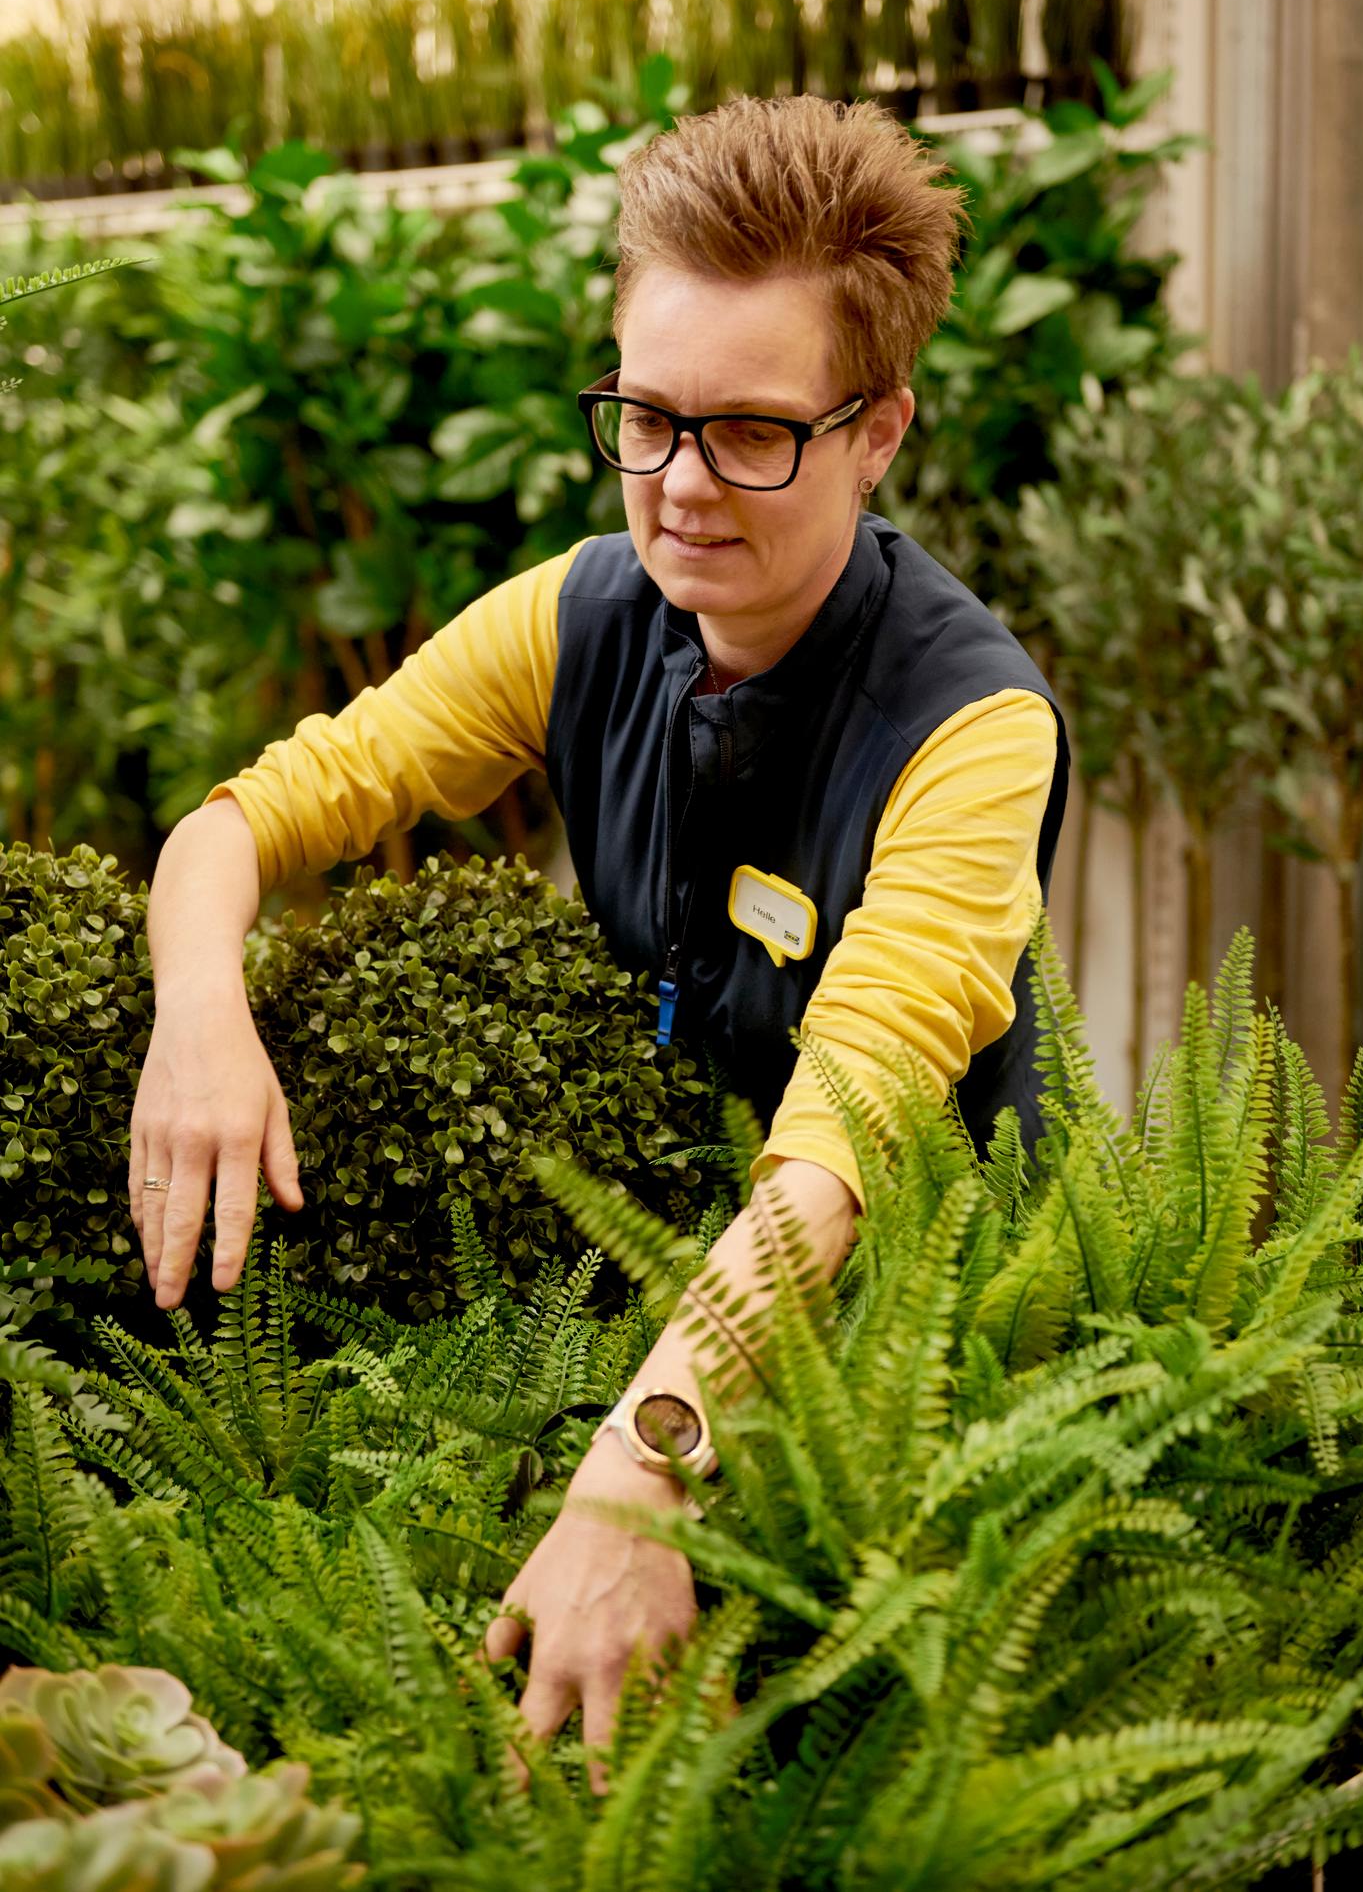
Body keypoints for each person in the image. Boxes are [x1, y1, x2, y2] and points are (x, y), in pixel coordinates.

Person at [128, 91, 1070, 1794]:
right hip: (651, 1307)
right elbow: (243, 823)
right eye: (644, 418)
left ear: (878, 432)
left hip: (921, 1392)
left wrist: (637, 1477)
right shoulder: (580, 615)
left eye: (752, 433)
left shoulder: (973, 727)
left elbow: (841, 1148)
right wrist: (200, 1010)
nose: (682, 486)